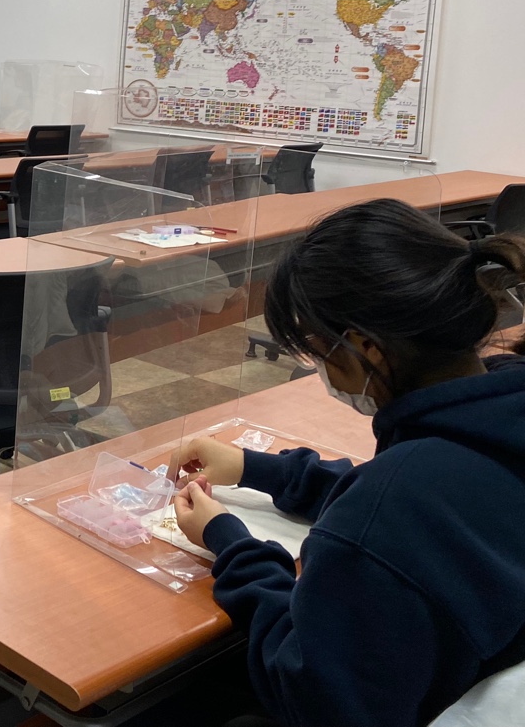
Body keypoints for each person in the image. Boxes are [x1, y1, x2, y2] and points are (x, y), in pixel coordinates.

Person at [169, 198, 525, 727]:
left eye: (317, 349)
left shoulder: (397, 500)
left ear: (365, 347)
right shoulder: (496, 407)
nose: (319, 367)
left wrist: (232, 544)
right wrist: (255, 467)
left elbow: (309, 694)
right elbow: (415, 501)